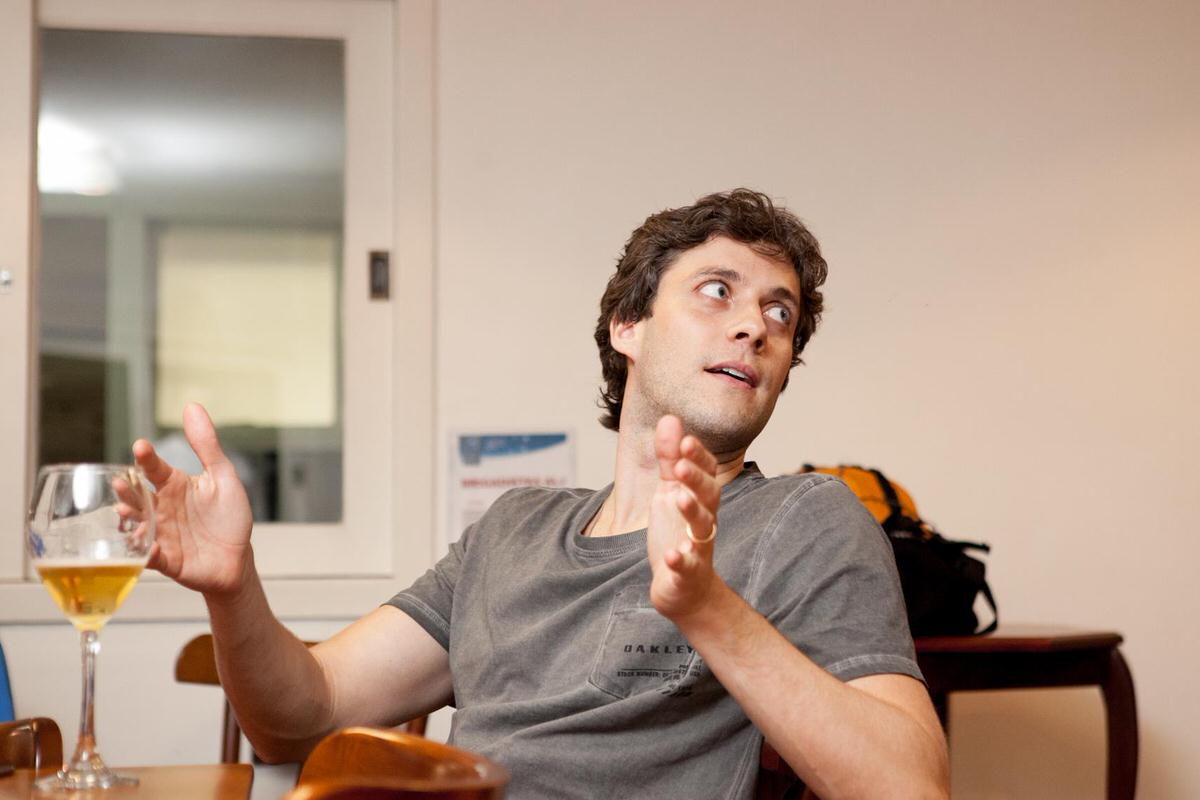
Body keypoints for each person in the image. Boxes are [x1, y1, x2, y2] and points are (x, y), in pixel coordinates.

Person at [132, 189, 949, 799]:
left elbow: (910, 788)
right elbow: (300, 717)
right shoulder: (513, 528)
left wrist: (705, 608)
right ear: (628, 325)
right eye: (717, 291)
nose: (755, 326)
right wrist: (233, 587)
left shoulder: (806, 520)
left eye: (780, 313)